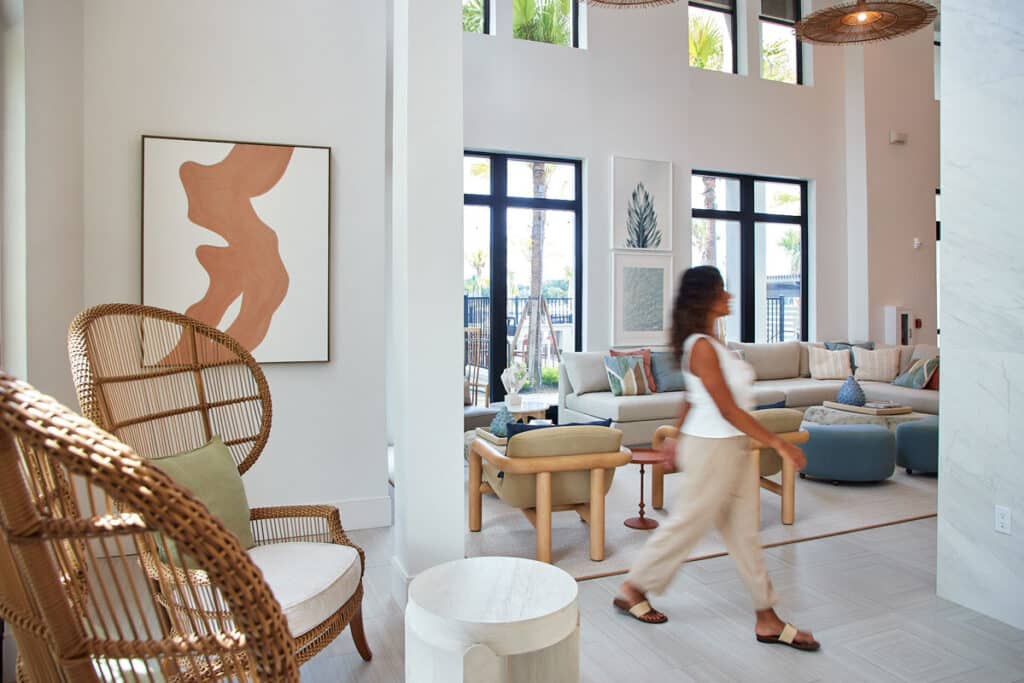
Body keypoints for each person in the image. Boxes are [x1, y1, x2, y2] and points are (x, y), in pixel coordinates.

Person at [613, 265, 820, 652]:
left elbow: (692, 397)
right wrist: (779, 443)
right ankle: (633, 587)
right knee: (689, 523)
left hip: (730, 446)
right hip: (712, 448)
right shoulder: (702, 347)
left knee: (745, 534)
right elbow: (727, 409)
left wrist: (674, 437)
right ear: (705, 298)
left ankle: (767, 617)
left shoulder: (713, 342)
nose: (728, 296)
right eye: (721, 290)